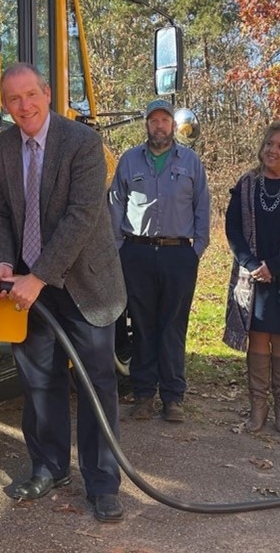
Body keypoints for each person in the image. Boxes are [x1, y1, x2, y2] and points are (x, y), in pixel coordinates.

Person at [0, 62, 128, 523]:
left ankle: (103, 483)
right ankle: (48, 468)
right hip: (29, 282)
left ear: (47, 93)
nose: (24, 106)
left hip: (85, 284)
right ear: (5, 106)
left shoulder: (82, 143)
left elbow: (82, 217)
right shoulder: (2, 147)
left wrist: (37, 276)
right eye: (13, 100)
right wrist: (3, 261)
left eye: (30, 95)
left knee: (95, 383)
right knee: (39, 380)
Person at [108, 99, 210, 422]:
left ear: (172, 125)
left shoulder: (191, 162)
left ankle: (173, 397)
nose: (160, 126)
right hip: (136, 253)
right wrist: (119, 248)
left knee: (173, 326)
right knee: (141, 324)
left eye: (165, 120)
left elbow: (202, 207)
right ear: (147, 125)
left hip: (178, 253)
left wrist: (195, 251)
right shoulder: (128, 161)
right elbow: (114, 205)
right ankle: (143, 395)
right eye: (154, 120)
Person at [223, 120, 280, 434]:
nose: (272, 151)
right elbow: (232, 228)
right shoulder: (247, 183)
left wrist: (274, 266)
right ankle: (257, 410)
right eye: (269, 144)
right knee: (259, 339)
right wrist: (250, 263)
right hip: (252, 277)